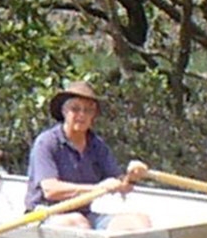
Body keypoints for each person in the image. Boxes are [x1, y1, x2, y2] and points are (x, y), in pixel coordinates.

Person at [27, 79, 150, 224]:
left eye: (88, 110)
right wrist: (96, 188)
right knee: (77, 222)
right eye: (75, 109)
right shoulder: (47, 142)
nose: (82, 115)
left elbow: (121, 184)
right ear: (64, 112)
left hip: (85, 215)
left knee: (139, 221)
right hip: (45, 215)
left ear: (94, 115)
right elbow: (51, 191)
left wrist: (132, 177)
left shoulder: (97, 145)